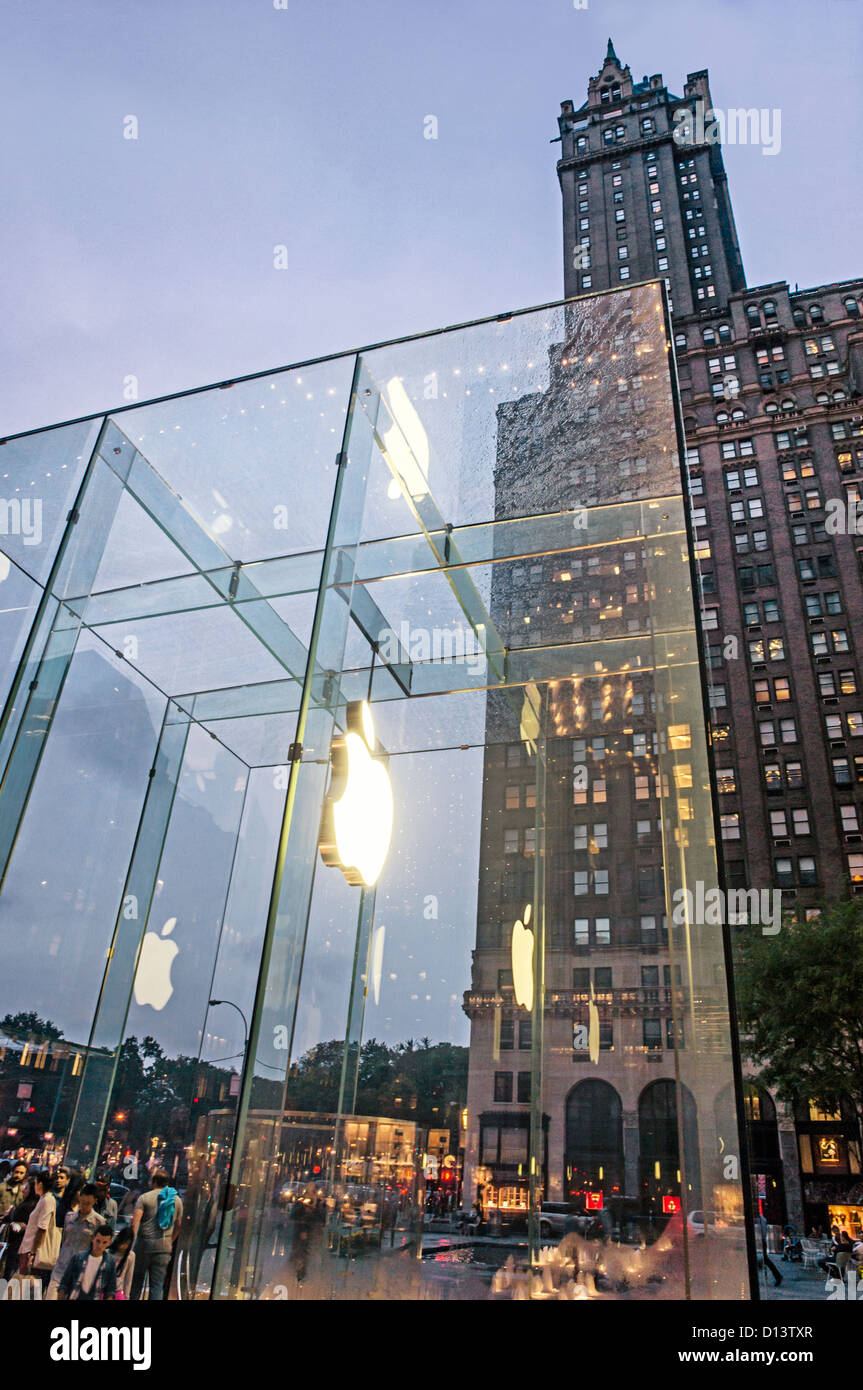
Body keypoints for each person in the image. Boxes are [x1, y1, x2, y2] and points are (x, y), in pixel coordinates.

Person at [45, 1183, 106, 1300]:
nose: (84, 1206)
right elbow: (64, 1240)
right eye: (82, 1202)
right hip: (61, 1268)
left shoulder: (99, 1222)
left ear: (94, 1201)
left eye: (88, 1203)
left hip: (81, 1272)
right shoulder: (69, 1217)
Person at [130, 1170, 183, 1301]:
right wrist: (170, 1241)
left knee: (136, 1284)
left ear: (154, 1181)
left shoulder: (144, 1198)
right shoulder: (176, 1200)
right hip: (164, 1248)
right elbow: (179, 1225)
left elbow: (134, 1224)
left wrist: (130, 1245)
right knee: (157, 1286)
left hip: (143, 1246)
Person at [18, 1170, 60, 1291]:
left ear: (40, 1184)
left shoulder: (47, 1200)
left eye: (36, 1182)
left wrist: (33, 1253)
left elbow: (42, 1228)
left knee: (27, 1288)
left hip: (32, 1250)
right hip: (28, 1248)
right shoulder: (43, 1199)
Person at [58, 1226, 118, 1301]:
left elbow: (110, 1290)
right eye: (98, 1241)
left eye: (104, 1242)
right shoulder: (78, 1257)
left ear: (109, 1243)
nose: (100, 1246)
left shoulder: (110, 1262)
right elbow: (64, 1283)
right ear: (93, 1238)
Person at [1, 1177, 37, 1279]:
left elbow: (21, 1226)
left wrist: (12, 1222)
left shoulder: (29, 1206)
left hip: (18, 1245)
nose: (23, 1190)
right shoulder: (30, 1204)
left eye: (26, 1188)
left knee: (10, 1272)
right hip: (19, 1245)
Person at [109, 1226, 136, 1300]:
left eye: (127, 1243)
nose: (124, 1246)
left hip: (117, 1291)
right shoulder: (108, 1252)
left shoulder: (131, 1256)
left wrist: (127, 1297)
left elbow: (128, 1279)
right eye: (123, 1242)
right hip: (104, 1291)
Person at [758, 1211, 782, 1287]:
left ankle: (777, 1276)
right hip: (762, 1241)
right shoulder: (762, 1219)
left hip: (759, 1242)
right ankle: (777, 1276)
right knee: (765, 1260)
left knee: (765, 1260)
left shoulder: (758, 1219)